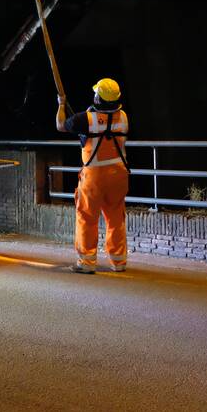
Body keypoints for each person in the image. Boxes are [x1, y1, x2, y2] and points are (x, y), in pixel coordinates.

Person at [56, 78, 129, 273]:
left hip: (94, 177)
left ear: (99, 98)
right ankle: (118, 262)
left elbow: (61, 125)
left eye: (96, 93)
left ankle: (87, 263)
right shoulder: (123, 117)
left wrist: (61, 105)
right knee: (116, 218)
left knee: (87, 218)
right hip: (119, 175)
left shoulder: (86, 119)